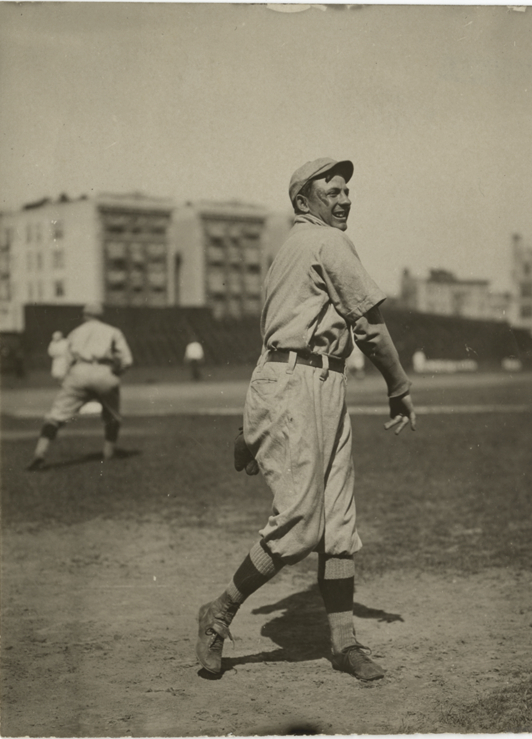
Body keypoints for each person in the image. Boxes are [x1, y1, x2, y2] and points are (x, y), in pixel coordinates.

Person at [196, 158, 416, 682]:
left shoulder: (290, 250)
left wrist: (254, 418)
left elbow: (277, 336)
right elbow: (369, 326)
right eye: (331, 191)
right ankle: (219, 611)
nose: (344, 199)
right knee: (300, 524)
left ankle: (344, 642)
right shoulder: (326, 242)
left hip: (315, 381)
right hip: (297, 385)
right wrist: (399, 386)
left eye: (347, 191)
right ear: (303, 202)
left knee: (338, 524)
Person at [26, 303, 133, 471]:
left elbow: (67, 359)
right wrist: (117, 372)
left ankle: (40, 453)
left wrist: (66, 378)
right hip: (104, 371)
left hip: (79, 371)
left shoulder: (76, 332)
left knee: (55, 416)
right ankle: (108, 454)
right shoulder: (113, 331)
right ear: (101, 315)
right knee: (113, 417)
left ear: (85, 315)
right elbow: (127, 360)